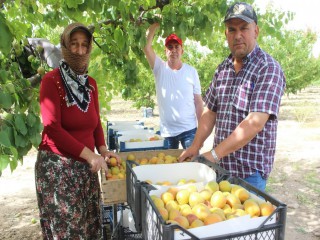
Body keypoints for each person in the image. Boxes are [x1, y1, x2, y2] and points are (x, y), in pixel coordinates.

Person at [179, 2, 286, 191]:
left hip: (248, 174)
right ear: (226, 34)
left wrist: (212, 155)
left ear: (256, 31)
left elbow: (254, 123)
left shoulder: (268, 68)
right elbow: (210, 111)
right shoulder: (222, 69)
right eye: (231, 29)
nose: (238, 35)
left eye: (244, 28)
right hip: (220, 170)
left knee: (244, 220)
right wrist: (196, 146)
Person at [35, 22, 120, 239]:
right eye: (74, 44)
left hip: (86, 170)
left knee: (89, 229)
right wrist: (90, 155)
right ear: (64, 46)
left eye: (84, 45)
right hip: (58, 171)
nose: (80, 50)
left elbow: (95, 122)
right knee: (69, 232)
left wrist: (103, 150)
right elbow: (53, 128)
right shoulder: (50, 81)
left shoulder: (90, 84)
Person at [144, 23, 204, 149]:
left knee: (192, 166)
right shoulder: (159, 68)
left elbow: (198, 102)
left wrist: (202, 132)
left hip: (189, 131)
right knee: (168, 168)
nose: (174, 50)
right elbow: (146, 47)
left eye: (177, 47)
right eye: (170, 47)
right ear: (165, 51)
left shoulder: (191, 71)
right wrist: (155, 25)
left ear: (182, 50)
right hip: (167, 133)